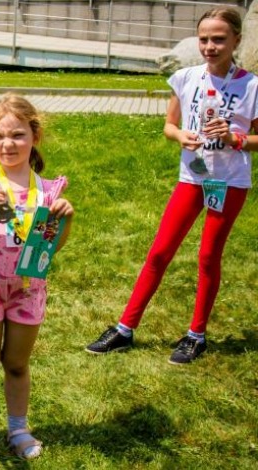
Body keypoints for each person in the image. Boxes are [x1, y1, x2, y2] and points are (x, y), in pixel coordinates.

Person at [85, 6, 256, 365]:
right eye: (205, 38)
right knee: (160, 252)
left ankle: (196, 334)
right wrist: (181, 136)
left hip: (229, 182)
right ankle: (124, 328)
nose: (210, 46)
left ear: (236, 40)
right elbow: (169, 125)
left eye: (219, 39)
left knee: (208, 256)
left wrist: (236, 139)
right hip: (192, 177)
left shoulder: (251, 85)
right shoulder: (185, 77)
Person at [0, 94, 73, 464]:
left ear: (34, 137)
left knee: (18, 364)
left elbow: (50, 247)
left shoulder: (49, 190)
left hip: (29, 288)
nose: (7, 144)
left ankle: (18, 429)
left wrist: (64, 220)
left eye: (18, 135)